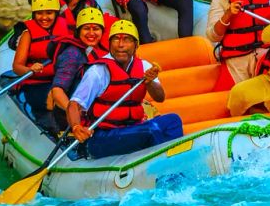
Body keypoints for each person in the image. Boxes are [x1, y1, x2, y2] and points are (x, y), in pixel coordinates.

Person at [65, 19, 183, 159]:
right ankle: (164, 169)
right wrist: (76, 127)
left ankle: (176, 161)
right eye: (116, 40)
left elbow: (160, 97)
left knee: (173, 121)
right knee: (150, 131)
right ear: (109, 44)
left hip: (133, 128)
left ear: (136, 45)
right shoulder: (98, 71)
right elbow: (74, 105)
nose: (120, 45)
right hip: (102, 136)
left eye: (127, 40)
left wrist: (149, 83)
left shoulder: (144, 66)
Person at [11, 0, 68, 123]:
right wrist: (29, 70)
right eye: (39, 13)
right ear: (33, 14)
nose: (44, 17)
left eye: (49, 13)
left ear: (56, 13)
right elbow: (16, 67)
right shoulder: (27, 33)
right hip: (37, 84)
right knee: (54, 100)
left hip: (61, 80)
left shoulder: (64, 27)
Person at [47, 7, 106, 132]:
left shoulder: (101, 50)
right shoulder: (72, 54)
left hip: (94, 110)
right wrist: (75, 118)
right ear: (78, 31)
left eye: (96, 29)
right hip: (71, 117)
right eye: (86, 29)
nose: (91, 33)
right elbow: (57, 91)